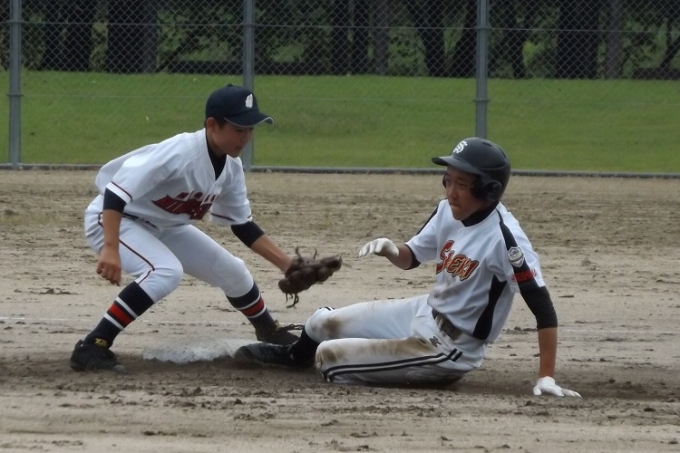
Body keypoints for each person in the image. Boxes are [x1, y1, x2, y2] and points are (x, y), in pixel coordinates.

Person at [235, 137, 580, 397]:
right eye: (448, 180)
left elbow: (542, 307)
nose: (451, 192)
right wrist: (391, 249)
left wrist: (546, 376)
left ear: (489, 190)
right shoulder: (447, 211)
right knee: (320, 322)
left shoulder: (506, 241)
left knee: (328, 358)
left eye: (462, 184)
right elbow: (411, 257)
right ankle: (294, 357)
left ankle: (427, 373)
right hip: (425, 311)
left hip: (451, 348)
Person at [71, 84, 301, 374]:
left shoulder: (231, 167)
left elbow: (242, 225)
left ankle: (269, 332)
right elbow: (116, 194)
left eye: (250, 129)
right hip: (115, 219)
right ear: (212, 125)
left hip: (165, 225)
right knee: (165, 271)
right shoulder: (180, 153)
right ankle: (93, 345)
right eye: (238, 129)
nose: (245, 137)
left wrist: (287, 264)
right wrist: (110, 247)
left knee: (233, 270)